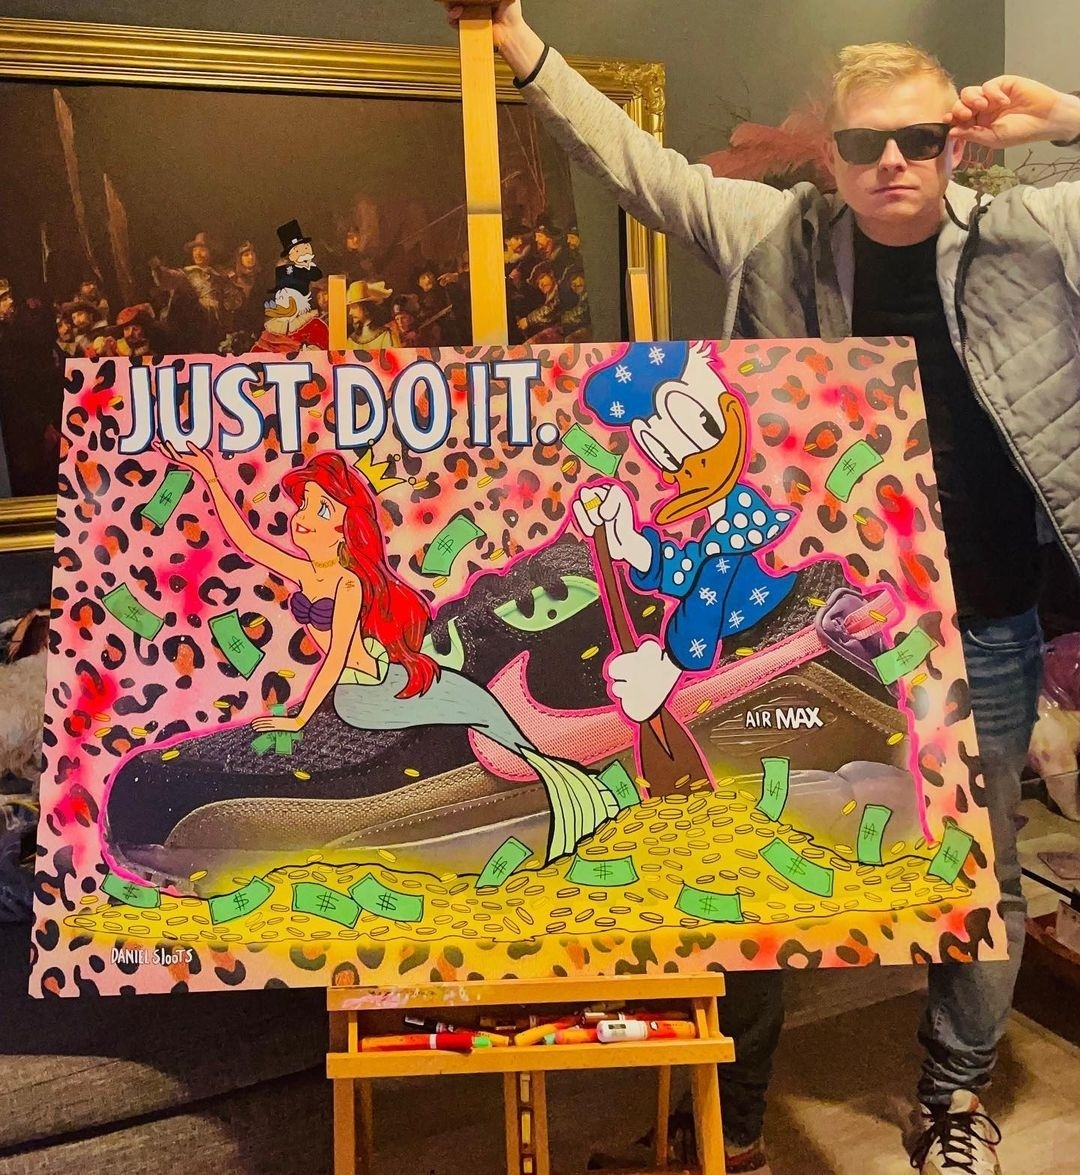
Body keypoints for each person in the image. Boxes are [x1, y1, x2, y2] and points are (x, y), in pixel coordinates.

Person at [445, 5, 1080, 1173]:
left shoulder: (1033, 232)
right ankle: (728, 1121)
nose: (895, 163)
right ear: (831, 156)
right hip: (813, 622)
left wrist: (1070, 117)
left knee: (979, 872)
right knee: (758, 863)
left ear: (959, 144)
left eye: (924, 139)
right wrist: (520, 40)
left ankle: (952, 1098)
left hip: (981, 619)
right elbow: (636, 167)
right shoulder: (774, 235)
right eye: (867, 143)